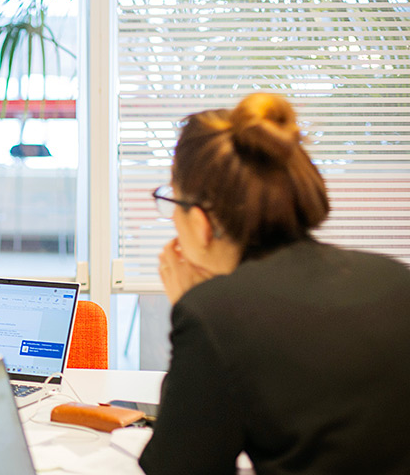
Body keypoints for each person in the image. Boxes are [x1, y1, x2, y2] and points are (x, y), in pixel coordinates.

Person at [137, 93, 410, 474]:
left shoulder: (214, 316)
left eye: (172, 201)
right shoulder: (396, 278)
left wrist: (195, 307)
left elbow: (177, 466)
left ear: (200, 223)